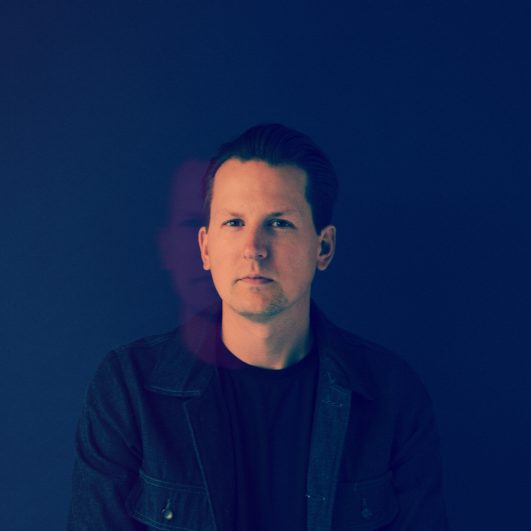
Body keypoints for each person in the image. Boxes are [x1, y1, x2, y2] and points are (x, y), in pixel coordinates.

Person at [68, 123, 448, 530]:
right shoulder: (130, 388)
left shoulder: (391, 394)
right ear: (206, 248)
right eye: (234, 223)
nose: (254, 249)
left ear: (323, 247)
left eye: (279, 223)